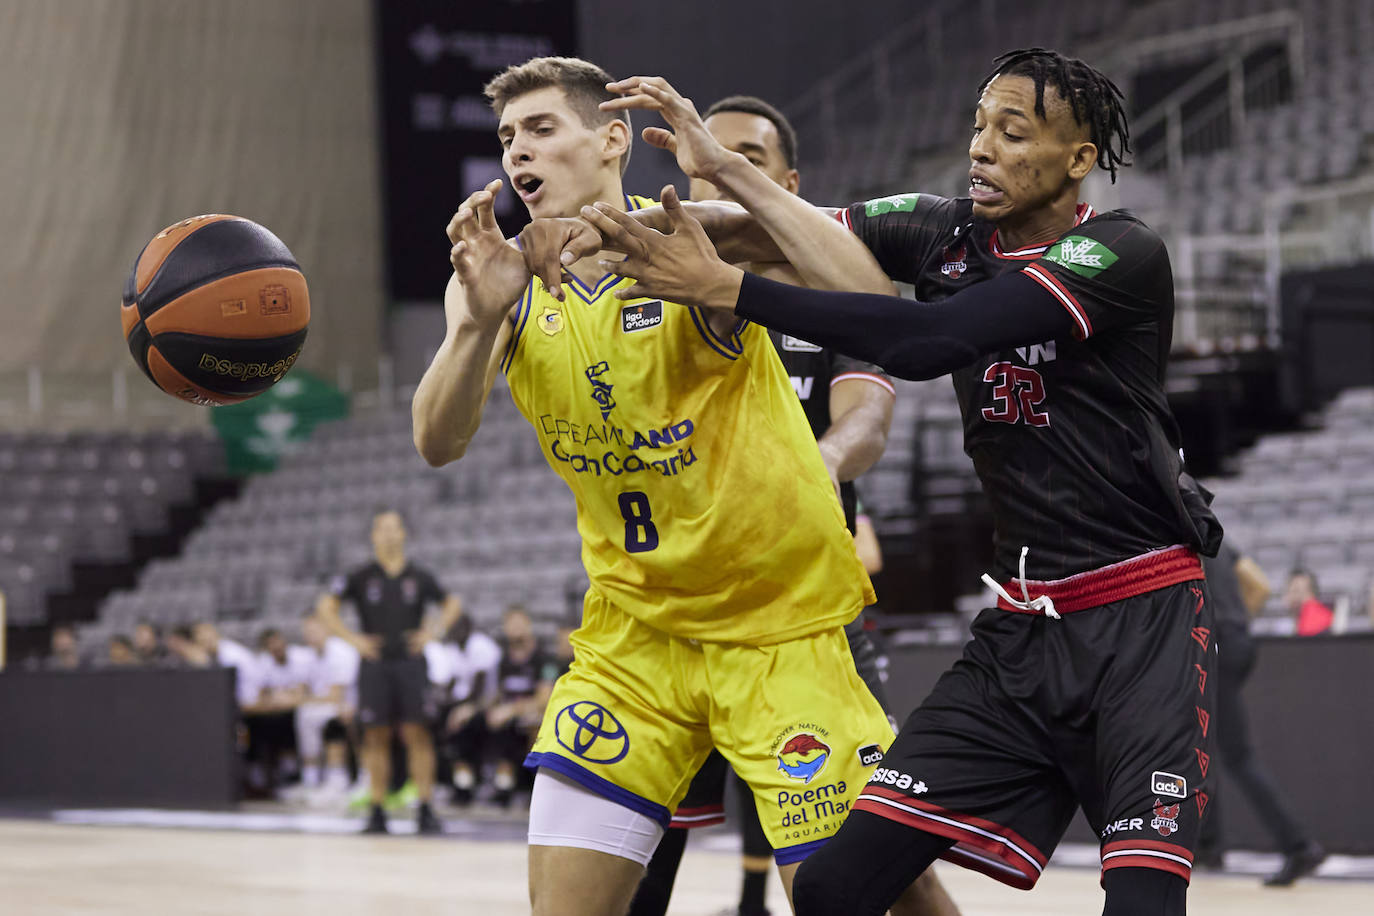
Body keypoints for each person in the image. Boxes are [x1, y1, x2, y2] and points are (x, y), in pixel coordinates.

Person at [560, 47, 1224, 915]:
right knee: (834, 887)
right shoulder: (941, 228)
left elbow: (922, 345)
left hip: (1143, 622)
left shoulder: (1119, 253)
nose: (982, 148)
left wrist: (728, 287)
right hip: (1022, 634)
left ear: (1078, 159)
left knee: (1142, 904)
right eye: (979, 127)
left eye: (1013, 133)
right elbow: (781, 232)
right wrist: (622, 215)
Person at [413, 56, 905, 916]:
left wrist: (727, 180)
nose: (516, 153)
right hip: (636, 640)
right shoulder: (501, 278)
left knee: (853, 899)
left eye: (539, 129)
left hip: (775, 629)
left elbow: (875, 299)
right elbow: (437, 441)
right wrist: (478, 320)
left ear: (610, 140)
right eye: (505, 139)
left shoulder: (690, 236)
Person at [627, 94, 956, 916]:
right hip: (680, 612)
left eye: (744, 158)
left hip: (803, 609)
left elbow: (868, 418)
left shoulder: (825, 285)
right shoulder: (666, 289)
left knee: (873, 866)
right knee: (636, 853)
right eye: (704, 159)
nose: (716, 174)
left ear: (788, 180)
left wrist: (808, 470)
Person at [315, 508, 465, 835]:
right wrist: (353, 639)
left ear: (403, 534)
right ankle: (377, 809)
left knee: (417, 734)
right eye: (381, 528)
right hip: (374, 664)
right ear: (373, 535)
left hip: (411, 664)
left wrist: (433, 631)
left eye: (394, 528)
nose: (388, 534)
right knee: (375, 736)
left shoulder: (419, 576)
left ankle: (425, 807)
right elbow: (325, 607)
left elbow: (453, 603)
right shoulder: (361, 575)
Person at [1197, 542, 1326, 885]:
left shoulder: (1179, 535)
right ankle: (1209, 846)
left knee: (1236, 755)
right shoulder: (1218, 538)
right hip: (1238, 639)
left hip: (1215, 644)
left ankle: (1299, 846)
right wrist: (1238, 618)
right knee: (1203, 742)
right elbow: (1261, 585)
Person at [485, 605, 559, 808]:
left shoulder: (545, 659)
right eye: (510, 624)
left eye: (519, 622)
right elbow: (495, 696)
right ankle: (502, 787)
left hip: (535, 714)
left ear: (529, 625)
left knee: (532, 724)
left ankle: (535, 788)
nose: (515, 628)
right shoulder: (503, 661)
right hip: (509, 717)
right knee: (480, 723)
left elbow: (544, 698)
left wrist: (511, 710)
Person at [429, 614, 502, 805]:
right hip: (462, 704)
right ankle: (455, 783)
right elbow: (451, 683)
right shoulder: (453, 648)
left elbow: (480, 686)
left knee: (466, 730)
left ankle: (473, 783)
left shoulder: (481, 645)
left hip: (487, 702)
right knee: (437, 723)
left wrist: (464, 709)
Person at [295, 615, 360, 797]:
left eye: (314, 631)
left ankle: (337, 777)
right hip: (324, 704)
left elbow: (337, 695)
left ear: (327, 630)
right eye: (307, 632)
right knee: (303, 714)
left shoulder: (341, 652)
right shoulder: (308, 655)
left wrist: (307, 699)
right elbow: (300, 690)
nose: (310, 636)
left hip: (350, 704)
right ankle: (311, 778)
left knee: (317, 717)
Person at [1283, 569, 1333, 636]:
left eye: (1296, 591)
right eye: (1290, 591)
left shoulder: (1314, 619)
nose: (1290, 596)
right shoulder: (1296, 622)